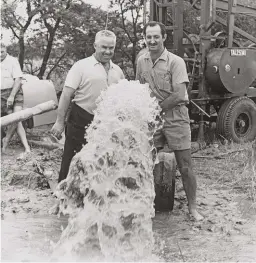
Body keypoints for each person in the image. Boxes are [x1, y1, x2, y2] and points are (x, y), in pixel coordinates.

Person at [136, 21, 203, 221]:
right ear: (145, 38)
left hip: (176, 116)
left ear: (164, 37)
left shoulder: (176, 62)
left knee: (185, 165)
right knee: (145, 161)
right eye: (149, 37)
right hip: (152, 118)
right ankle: (145, 205)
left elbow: (179, 93)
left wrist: (156, 109)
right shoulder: (142, 61)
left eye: (156, 36)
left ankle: (193, 208)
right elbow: (139, 89)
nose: (152, 40)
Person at [51, 30, 125, 186]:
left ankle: (95, 198)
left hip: (106, 123)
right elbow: (66, 95)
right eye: (104, 47)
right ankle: (64, 196)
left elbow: (122, 98)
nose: (107, 51)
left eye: (111, 48)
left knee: (101, 160)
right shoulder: (81, 66)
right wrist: (59, 122)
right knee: (73, 160)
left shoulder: (118, 71)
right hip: (80, 118)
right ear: (95, 46)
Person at [1, 42, 31, 158]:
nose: (0, 54)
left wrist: (12, 96)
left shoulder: (12, 61)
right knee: (12, 119)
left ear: (6, 50)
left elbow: (18, 80)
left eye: (2, 52)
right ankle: (5, 142)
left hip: (15, 90)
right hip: (1, 93)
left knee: (17, 117)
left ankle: (7, 140)